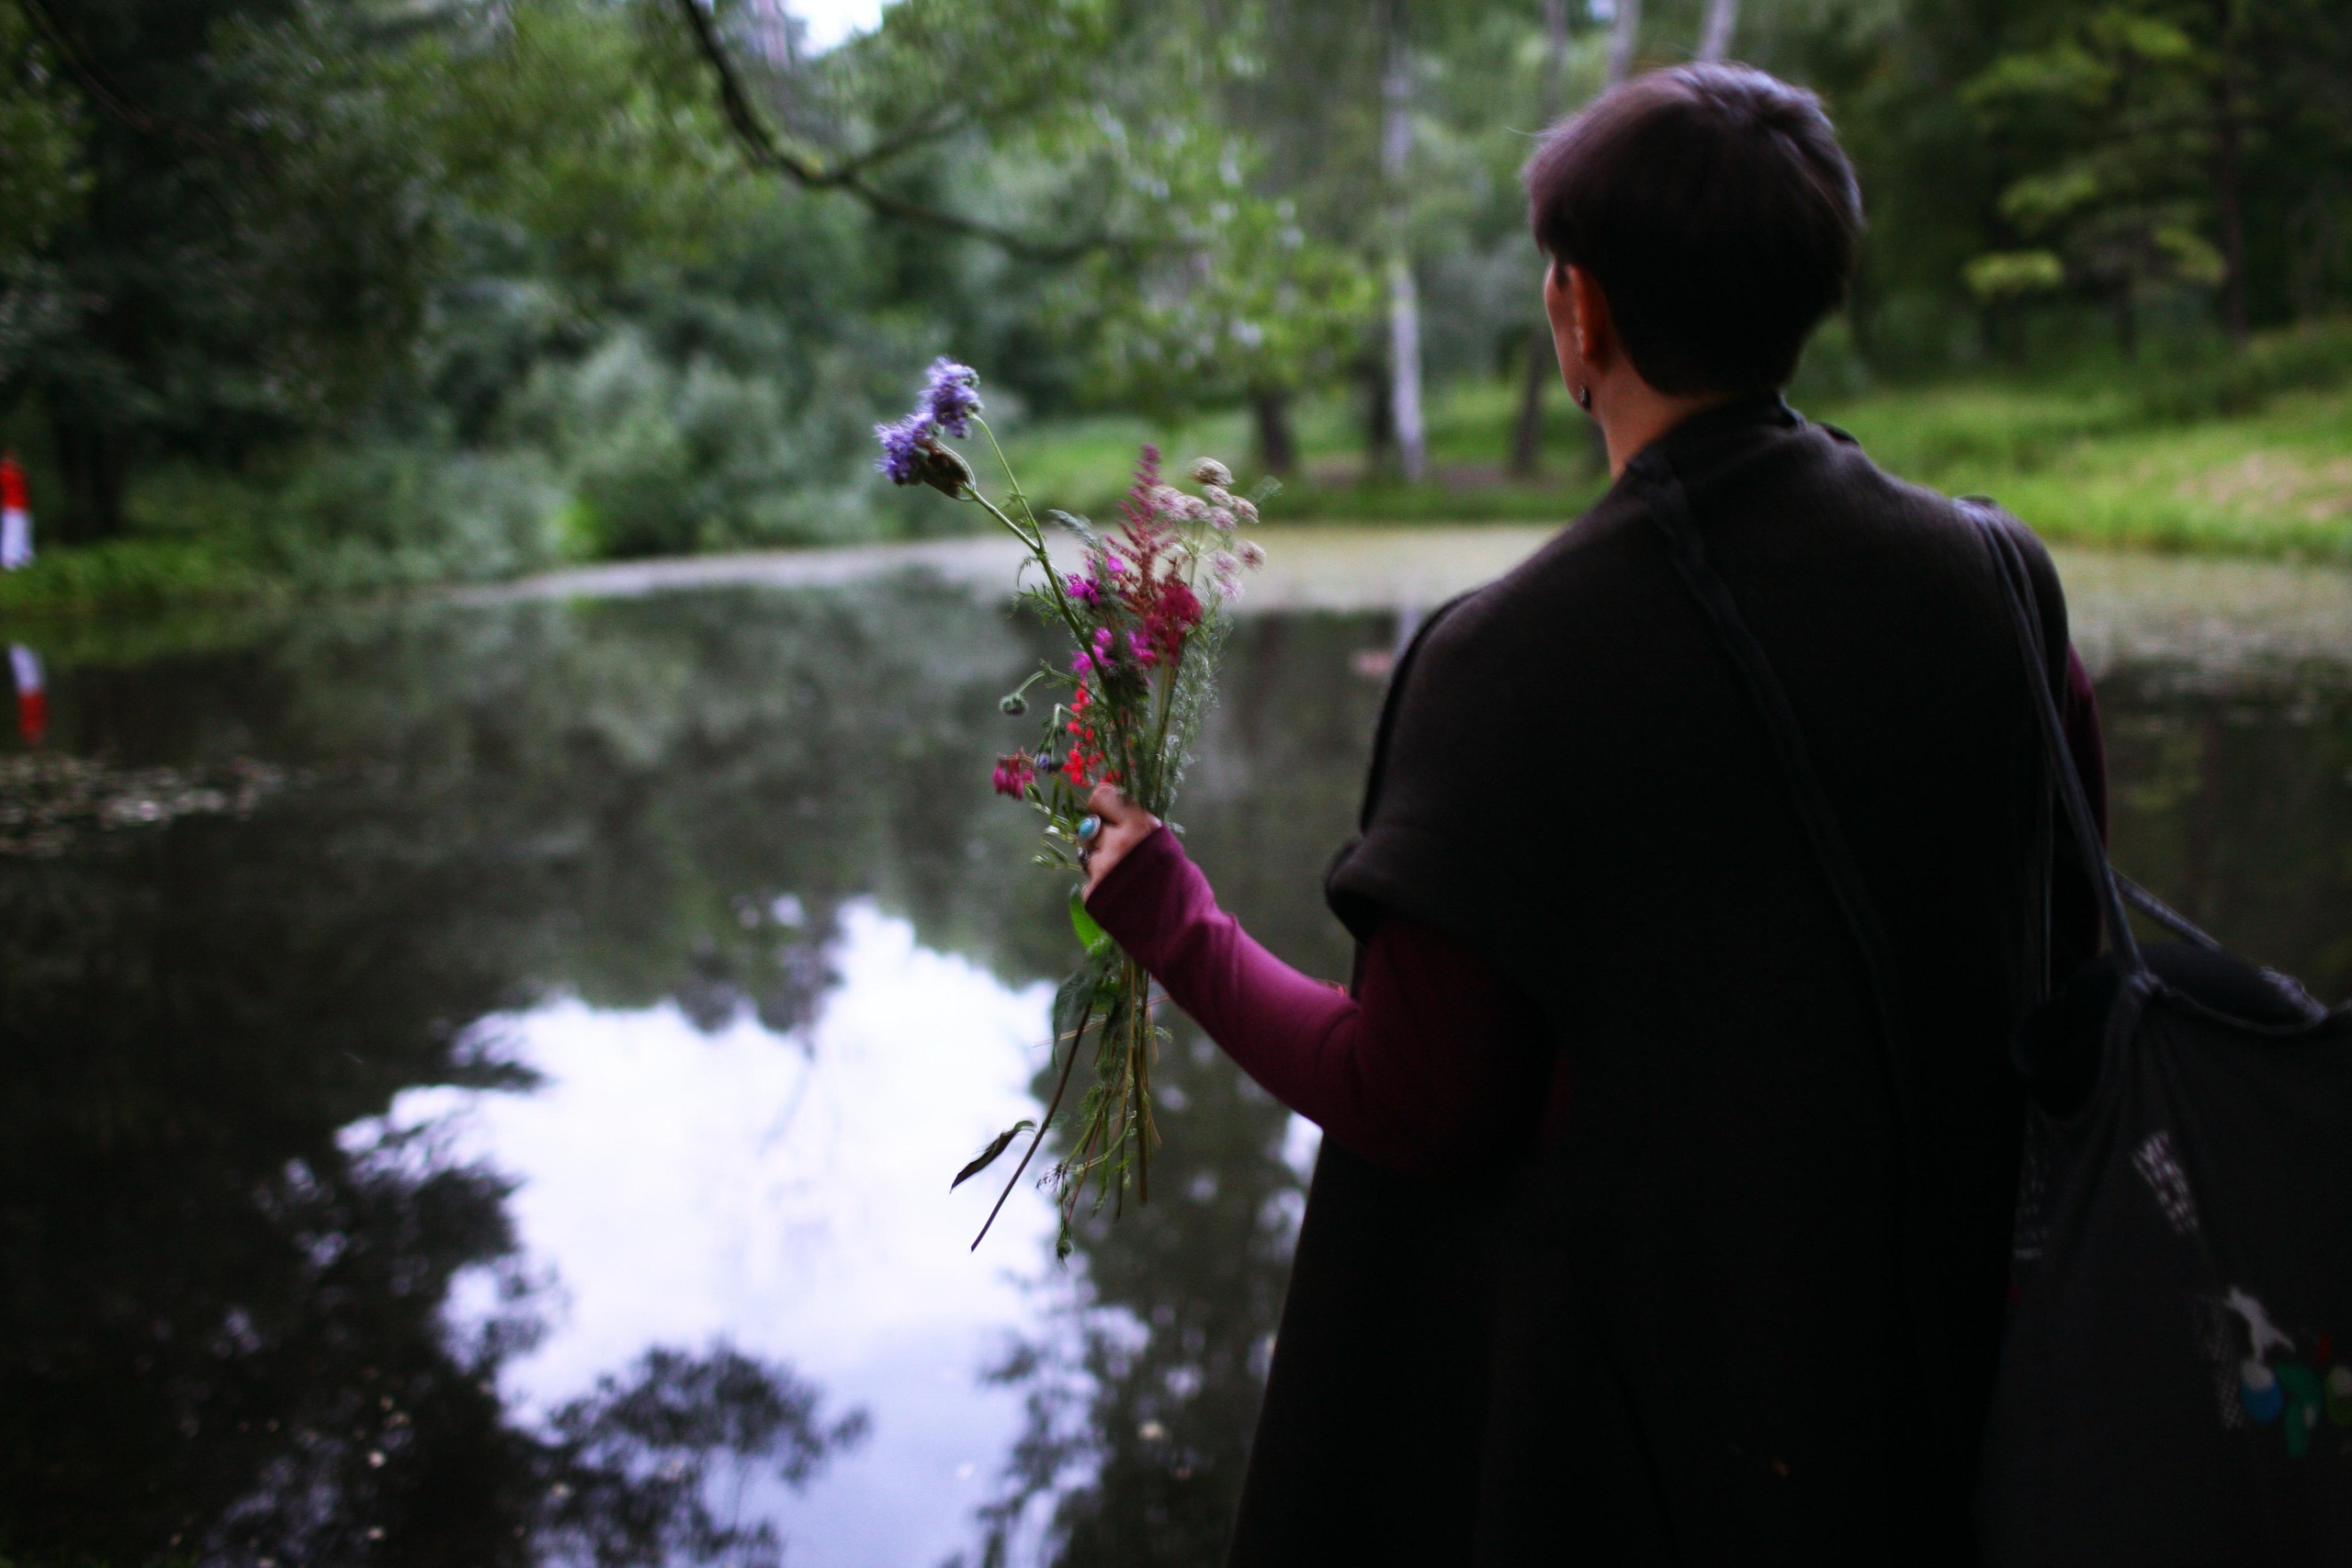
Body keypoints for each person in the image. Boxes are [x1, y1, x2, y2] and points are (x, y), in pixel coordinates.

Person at [1073, 64, 2110, 1565]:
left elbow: (1419, 1106)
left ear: (1581, 316)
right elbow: (2062, 953)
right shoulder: (2003, 581)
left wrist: (1169, 914)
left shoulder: (1508, 659)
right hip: (1969, 1399)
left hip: (1654, 1456)